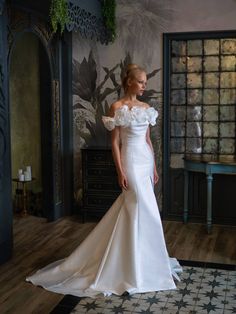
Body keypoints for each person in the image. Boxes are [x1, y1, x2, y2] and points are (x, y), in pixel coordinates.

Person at [26, 64, 182, 297]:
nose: (144, 86)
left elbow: (148, 140)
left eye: (145, 82)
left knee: (145, 208)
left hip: (146, 161)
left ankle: (146, 261)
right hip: (129, 159)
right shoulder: (116, 107)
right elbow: (114, 144)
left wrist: (155, 167)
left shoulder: (146, 108)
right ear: (129, 82)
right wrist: (120, 171)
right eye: (141, 82)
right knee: (138, 204)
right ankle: (127, 264)